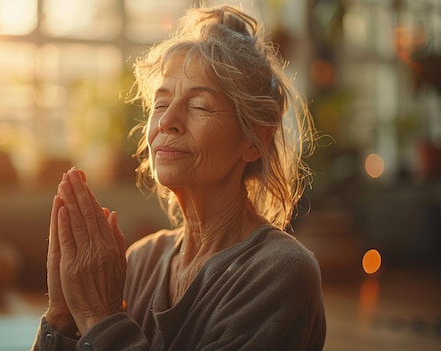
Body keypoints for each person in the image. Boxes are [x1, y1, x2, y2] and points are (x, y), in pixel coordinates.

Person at [32, 4, 326, 350]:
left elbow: (102, 325)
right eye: (160, 103)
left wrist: (100, 317)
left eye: (199, 105)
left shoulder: (280, 272)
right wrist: (62, 318)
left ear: (255, 140)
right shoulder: (140, 261)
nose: (167, 121)